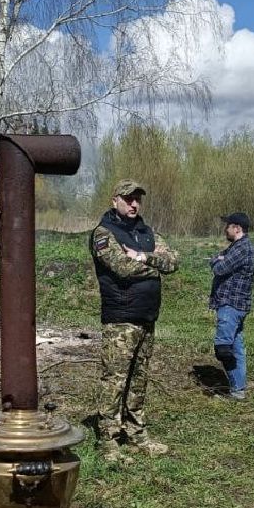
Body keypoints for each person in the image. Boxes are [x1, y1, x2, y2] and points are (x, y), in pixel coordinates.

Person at [90, 180, 179, 462]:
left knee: (139, 380)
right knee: (114, 380)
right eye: (128, 199)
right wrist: (154, 266)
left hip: (147, 317)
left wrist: (142, 256)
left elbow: (173, 261)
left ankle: (136, 433)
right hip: (120, 320)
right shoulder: (104, 233)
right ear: (115, 200)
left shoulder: (147, 233)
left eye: (137, 199)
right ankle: (108, 439)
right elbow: (122, 267)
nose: (134, 204)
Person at [209, 211, 254, 400]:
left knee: (223, 349)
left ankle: (236, 389)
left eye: (227, 226)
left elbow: (219, 267)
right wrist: (219, 258)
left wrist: (216, 260)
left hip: (231, 304)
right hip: (235, 305)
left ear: (237, 228)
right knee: (236, 347)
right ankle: (238, 390)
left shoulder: (241, 248)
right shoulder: (237, 247)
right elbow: (219, 257)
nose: (225, 230)